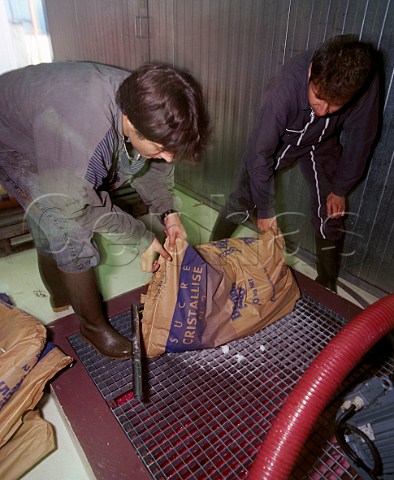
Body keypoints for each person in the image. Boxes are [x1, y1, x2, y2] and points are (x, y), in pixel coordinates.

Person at [0, 61, 210, 359]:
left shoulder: (144, 102)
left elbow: (146, 164)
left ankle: (64, 293)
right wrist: (141, 238)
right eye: (163, 148)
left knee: (52, 222)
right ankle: (92, 327)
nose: (169, 157)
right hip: (9, 139)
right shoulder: (85, 128)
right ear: (133, 127)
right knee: (66, 228)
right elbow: (74, 207)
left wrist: (168, 213)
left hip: (43, 117)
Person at [210, 35, 380, 293]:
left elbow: (362, 139)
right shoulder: (284, 89)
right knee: (245, 198)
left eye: (336, 104)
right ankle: (210, 259)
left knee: (331, 211)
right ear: (311, 71)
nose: (323, 109)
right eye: (318, 96)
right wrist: (265, 209)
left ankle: (326, 286)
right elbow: (260, 155)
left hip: (324, 142)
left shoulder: (362, 82)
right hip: (283, 140)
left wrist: (341, 188)